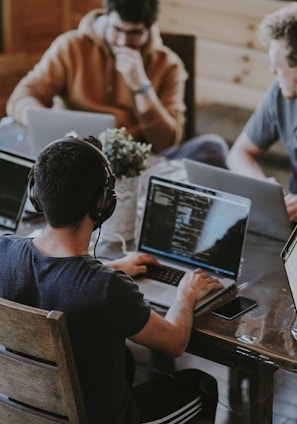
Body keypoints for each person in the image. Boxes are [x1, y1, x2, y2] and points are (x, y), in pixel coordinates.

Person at [0, 135, 223, 423]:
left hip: (22, 411)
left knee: (126, 362)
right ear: (103, 205)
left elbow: (55, 277)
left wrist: (111, 266)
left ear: (37, 195)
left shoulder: (4, 252)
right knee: (201, 385)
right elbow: (176, 342)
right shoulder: (107, 289)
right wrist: (187, 292)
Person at [6, 0, 228, 168]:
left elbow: (168, 142)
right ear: (107, 16)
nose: (123, 41)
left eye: (134, 33)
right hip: (76, 157)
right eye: (116, 30)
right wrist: (40, 122)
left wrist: (141, 86)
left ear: (149, 28)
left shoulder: (168, 65)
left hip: (136, 164)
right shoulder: (70, 46)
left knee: (213, 148)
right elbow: (22, 96)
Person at [227, 3, 297, 223]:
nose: (272, 72)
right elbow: (239, 154)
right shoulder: (280, 93)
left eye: (278, 67)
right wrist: (261, 184)